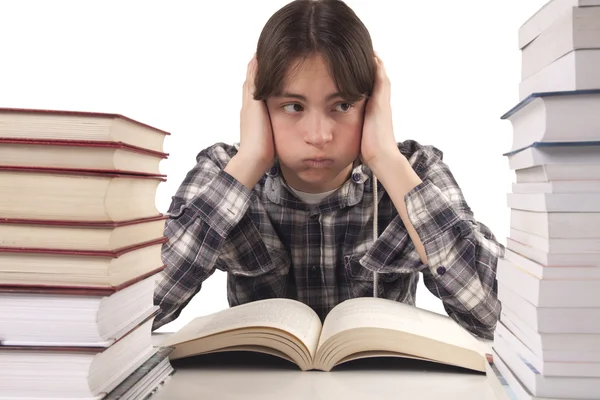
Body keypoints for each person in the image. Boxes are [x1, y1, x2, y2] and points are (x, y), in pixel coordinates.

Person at [153, 0, 504, 339]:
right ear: (259, 106)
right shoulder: (224, 173)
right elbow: (140, 314)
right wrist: (248, 163)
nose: (319, 136)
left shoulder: (414, 172)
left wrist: (386, 159)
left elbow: (492, 317)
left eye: (343, 105)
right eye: (293, 106)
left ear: (372, 104)